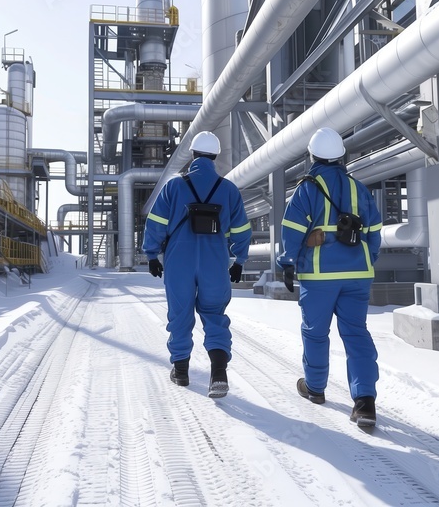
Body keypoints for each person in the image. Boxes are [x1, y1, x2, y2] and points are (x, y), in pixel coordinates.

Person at [277, 127, 383, 428]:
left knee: (315, 331)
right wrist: (365, 260)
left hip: (321, 274)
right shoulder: (358, 188)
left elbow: (293, 232)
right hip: (358, 274)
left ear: (312, 156)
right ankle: (364, 402)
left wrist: (287, 262)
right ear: (341, 157)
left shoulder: (308, 188)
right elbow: (374, 233)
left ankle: (315, 387)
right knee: (356, 333)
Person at [143, 131, 252, 398]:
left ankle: (181, 371)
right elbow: (241, 230)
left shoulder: (174, 186)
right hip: (215, 261)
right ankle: (218, 373)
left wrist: (151, 254)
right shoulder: (228, 190)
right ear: (215, 156)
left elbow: (155, 223)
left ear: (192, 155)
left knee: (180, 315)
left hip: (179, 260)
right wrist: (239, 260)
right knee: (214, 314)